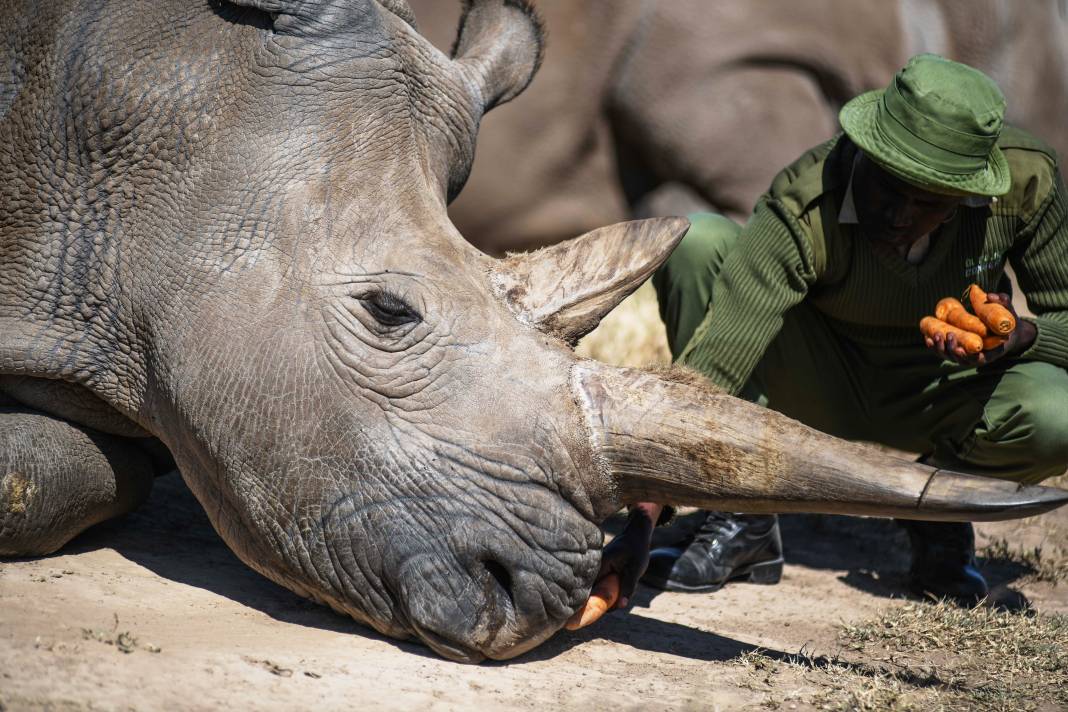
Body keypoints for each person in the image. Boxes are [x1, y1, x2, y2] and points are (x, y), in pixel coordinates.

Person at [597, 54, 1068, 612]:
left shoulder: (1026, 183)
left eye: (927, 203)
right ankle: (743, 511)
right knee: (700, 243)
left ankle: (940, 505)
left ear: (968, 196)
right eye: (888, 186)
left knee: (1055, 415)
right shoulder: (805, 200)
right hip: (808, 385)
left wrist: (1022, 338)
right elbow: (712, 369)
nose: (898, 215)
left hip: (942, 392)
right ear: (866, 151)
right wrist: (646, 515)